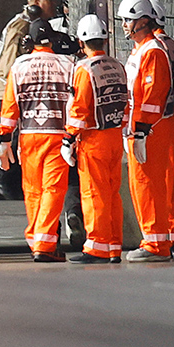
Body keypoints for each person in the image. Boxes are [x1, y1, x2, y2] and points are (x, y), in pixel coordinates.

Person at [118, 0, 174, 262]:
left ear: (144, 21)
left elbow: (152, 94)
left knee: (148, 185)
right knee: (151, 185)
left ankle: (155, 244)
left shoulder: (153, 51)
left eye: (128, 20)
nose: (124, 25)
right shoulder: (147, 50)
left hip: (150, 130)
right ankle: (162, 241)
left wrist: (140, 130)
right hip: (150, 128)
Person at [0, 18, 75, 261]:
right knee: (53, 188)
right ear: (52, 40)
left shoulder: (19, 66)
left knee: (32, 190)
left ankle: (37, 241)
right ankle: (44, 243)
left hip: (29, 137)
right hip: (58, 136)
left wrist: (3, 142)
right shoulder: (67, 64)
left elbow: (9, 108)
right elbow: (76, 102)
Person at [62, 14, 129, 263]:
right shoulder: (117, 66)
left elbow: (79, 109)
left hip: (93, 140)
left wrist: (69, 138)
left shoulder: (83, 69)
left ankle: (97, 248)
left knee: (93, 193)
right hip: (113, 137)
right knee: (113, 194)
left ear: (81, 42)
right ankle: (113, 246)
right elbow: (125, 102)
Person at [0, 0, 61, 98]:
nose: (54, 5)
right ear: (37, 3)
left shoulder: (33, 24)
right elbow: (7, 66)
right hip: (3, 89)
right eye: (49, 1)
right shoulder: (20, 27)